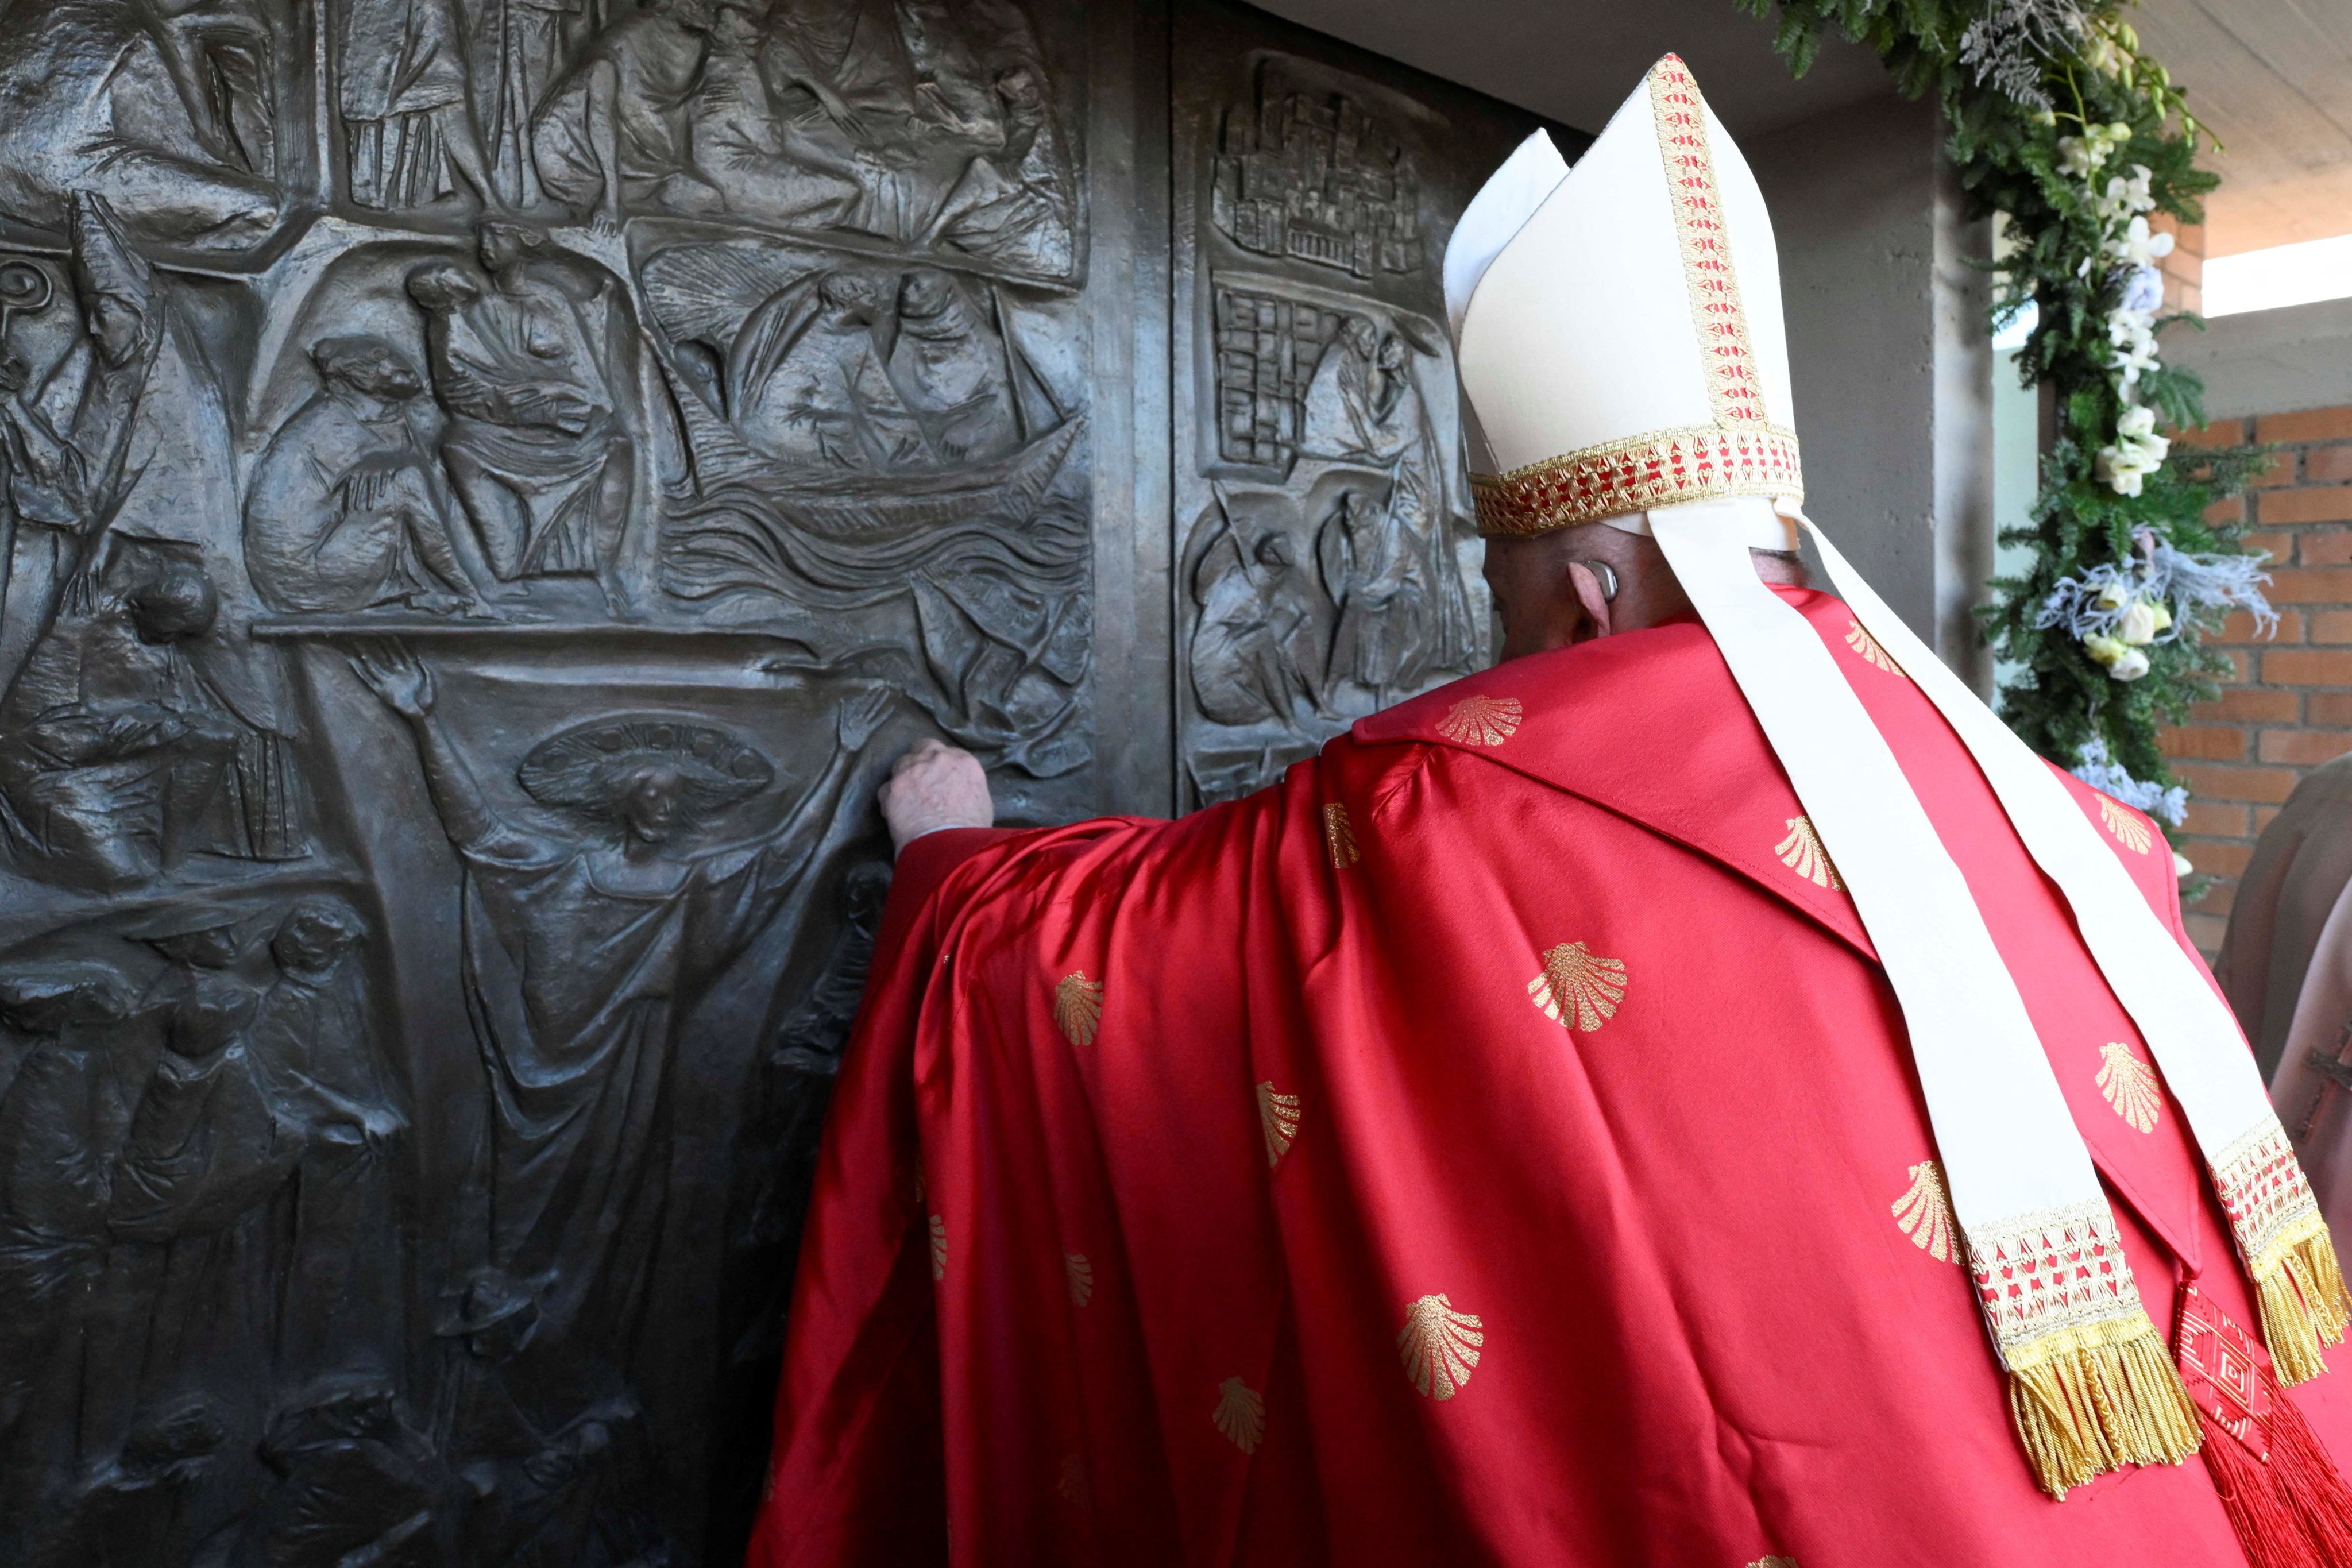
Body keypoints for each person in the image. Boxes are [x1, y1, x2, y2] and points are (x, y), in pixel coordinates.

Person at [750, 57, 2352, 1567]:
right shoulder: (2051, 812)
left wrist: (956, 861)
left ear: (1586, 594)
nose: (1494, 626)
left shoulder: (1442, 802)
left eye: (1496, 575)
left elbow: (1113, 970)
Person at [243, 335, 489, 615]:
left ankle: (421, 590)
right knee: (408, 481)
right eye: (378, 357)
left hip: (314, 570)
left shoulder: (374, 417)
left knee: (403, 479)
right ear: (356, 377)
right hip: (304, 580)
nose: (402, 364)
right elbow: (414, 488)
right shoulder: (329, 425)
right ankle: (471, 595)